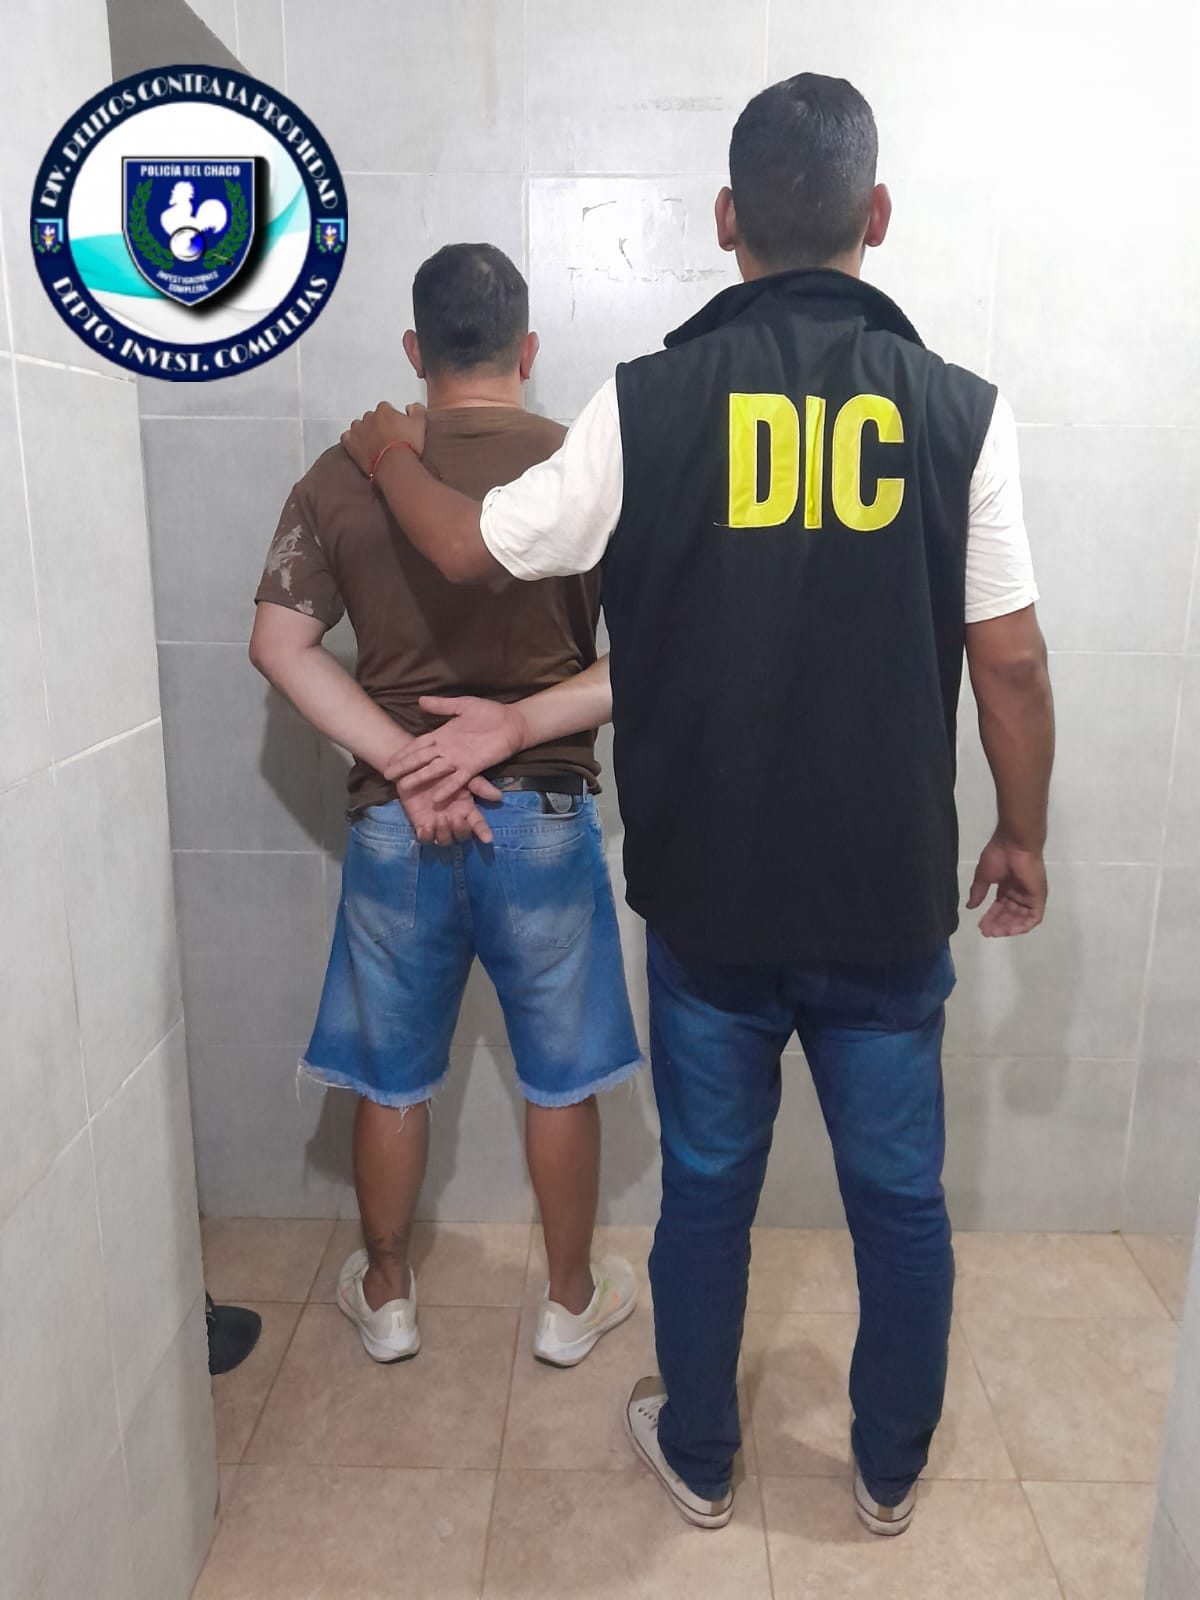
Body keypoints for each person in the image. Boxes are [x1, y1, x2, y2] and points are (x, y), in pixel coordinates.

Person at [340, 75, 1055, 1534]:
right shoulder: (960, 413)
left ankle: (706, 1453)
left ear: (727, 219)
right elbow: (1015, 663)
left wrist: (391, 452)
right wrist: (1022, 829)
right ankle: (889, 1466)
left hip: (710, 901)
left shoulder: (647, 404)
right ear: (876, 216)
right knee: (900, 1196)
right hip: (884, 894)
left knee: (711, 1189)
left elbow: (470, 551)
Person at [249, 242, 641, 1370]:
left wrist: (408, 762)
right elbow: (648, 656)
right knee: (560, 1080)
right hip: (545, 814)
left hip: (398, 822)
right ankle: (568, 1303)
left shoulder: (344, 473)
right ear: (528, 348)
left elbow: (278, 645)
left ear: (416, 350)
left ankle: (388, 1297)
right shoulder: (581, 467)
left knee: (391, 1078)